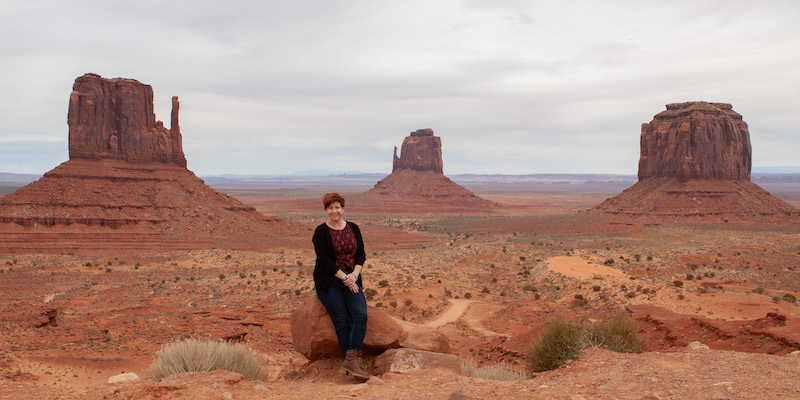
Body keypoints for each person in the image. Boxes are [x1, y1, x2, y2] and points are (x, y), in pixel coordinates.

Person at [312, 192, 370, 381]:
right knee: (341, 321)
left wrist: (354, 275)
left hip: (352, 277)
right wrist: (345, 278)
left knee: (360, 315)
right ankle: (352, 363)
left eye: (337, 207)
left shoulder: (353, 228)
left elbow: (361, 255)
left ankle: (350, 361)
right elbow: (324, 261)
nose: (334, 211)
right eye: (331, 208)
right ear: (326, 210)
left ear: (343, 209)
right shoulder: (321, 232)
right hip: (330, 280)